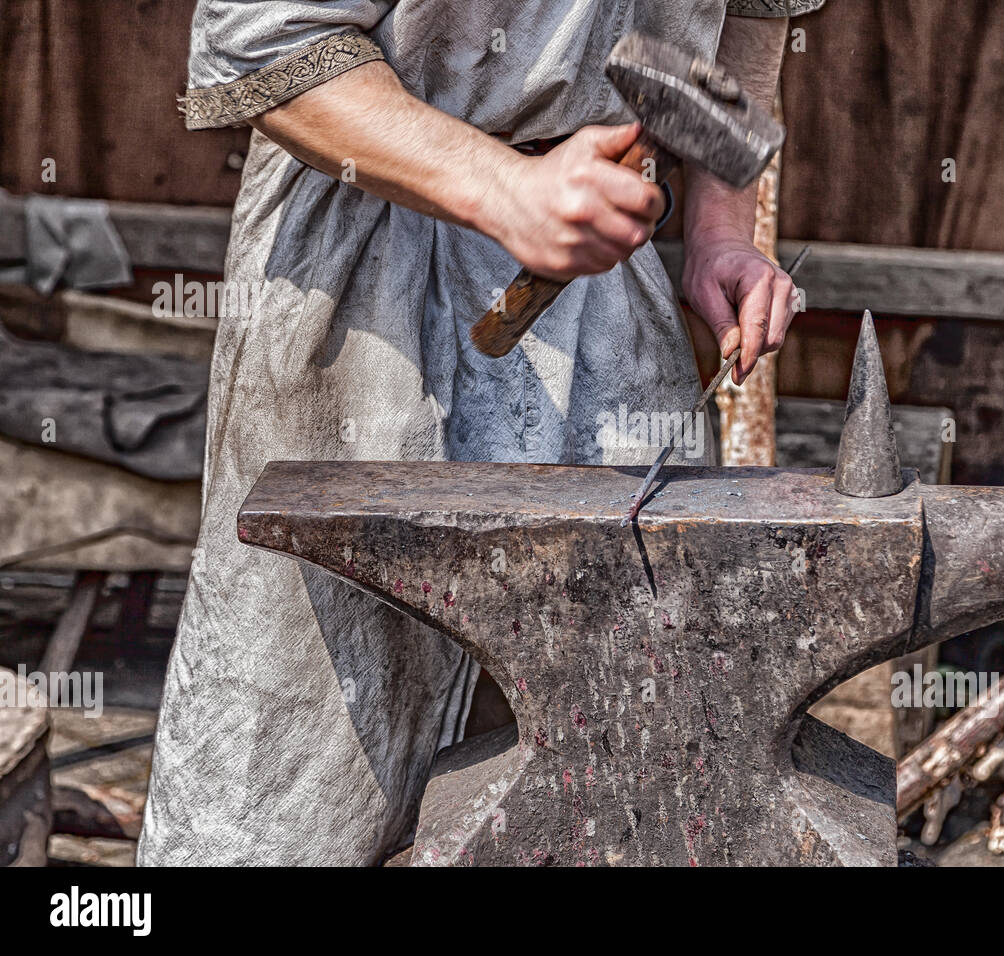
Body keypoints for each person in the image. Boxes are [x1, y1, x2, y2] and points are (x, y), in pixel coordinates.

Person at [139, 0, 825, 865]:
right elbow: (263, 38)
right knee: (303, 763)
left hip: (603, 288)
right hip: (366, 281)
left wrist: (721, 232)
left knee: (602, 752)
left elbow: (753, 22)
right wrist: (506, 188)